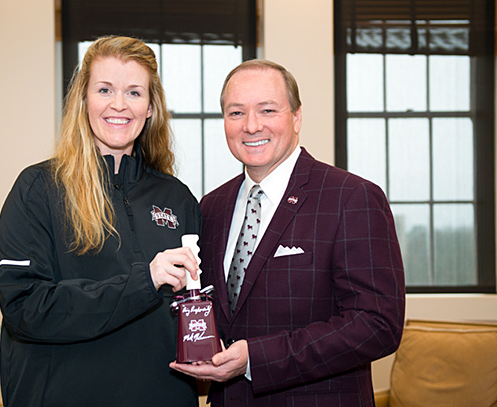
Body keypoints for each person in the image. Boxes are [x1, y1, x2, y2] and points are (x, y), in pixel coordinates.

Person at [170, 60, 406, 406]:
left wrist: (256, 359)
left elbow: (378, 324)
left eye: (267, 110)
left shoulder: (352, 197)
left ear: (297, 117)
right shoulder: (212, 206)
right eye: (236, 113)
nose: (251, 125)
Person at [0, 36, 201, 407]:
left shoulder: (177, 198)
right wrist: (145, 281)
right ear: (83, 100)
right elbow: (25, 308)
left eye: (134, 92)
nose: (119, 104)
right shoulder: (38, 189)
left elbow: (194, 308)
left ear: (150, 107)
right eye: (104, 90)